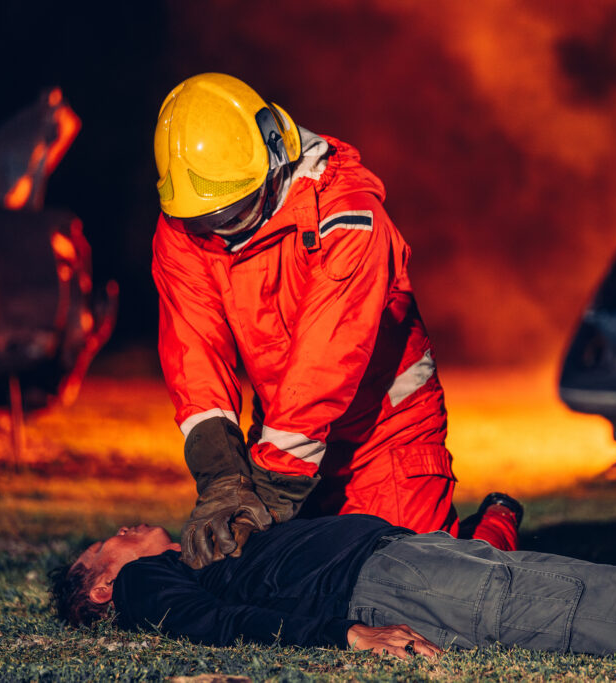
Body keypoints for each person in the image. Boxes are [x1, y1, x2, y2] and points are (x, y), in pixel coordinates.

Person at [151, 72, 518, 569]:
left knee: (423, 576)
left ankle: (496, 522)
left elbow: (325, 363)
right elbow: (194, 354)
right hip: (285, 430)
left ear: (275, 158)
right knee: (300, 573)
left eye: (236, 214)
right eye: (207, 223)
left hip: (383, 431)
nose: (223, 234)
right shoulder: (189, 221)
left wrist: (271, 489)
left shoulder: (348, 216)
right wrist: (223, 479)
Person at [50, 515, 616, 664]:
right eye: (105, 546)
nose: (123, 529)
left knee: (603, 592)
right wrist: (346, 636)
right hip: (386, 579)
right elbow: (208, 623)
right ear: (99, 591)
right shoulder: (148, 587)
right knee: (599, 608)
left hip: (404, 560)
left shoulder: (178, 568)